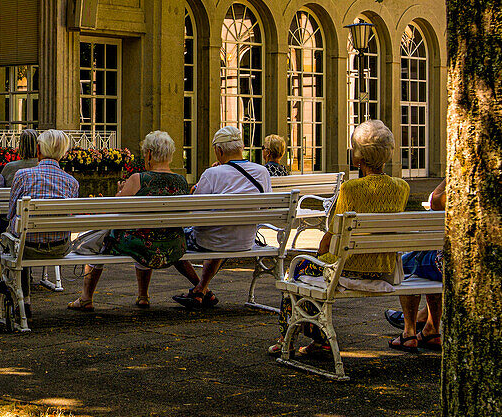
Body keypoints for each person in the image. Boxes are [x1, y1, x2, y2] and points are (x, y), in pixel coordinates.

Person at [270, 120, 410, 357]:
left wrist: (317, 257)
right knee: (308, 272)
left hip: (346, 269)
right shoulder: (402, 187)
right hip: (382, 268)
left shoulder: (351, 189)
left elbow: (331, 236)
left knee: (296, 271)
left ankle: (288, 338)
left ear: (358, 158)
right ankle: (319, 339)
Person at [67, 130, 190, 312]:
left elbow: (117, 209)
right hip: (172, 245)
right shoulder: (181, 180)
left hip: (141, 244)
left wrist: (120, 190)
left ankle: (86, 297)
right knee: (144, 232)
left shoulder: (137, 179)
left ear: (149, 154)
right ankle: (143, 295)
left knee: (100, 243)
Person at [173, 126, 272, 310]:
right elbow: (265, 207)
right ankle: (201, 290)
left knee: (170, 242)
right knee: (222, 231)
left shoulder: (212, 174)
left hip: (210, 241)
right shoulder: (262, 172)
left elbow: (193, 210)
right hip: (244, 240)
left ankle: (201, 290)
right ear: (241, 147)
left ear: (219, 151)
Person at [8, 129, 80, 316]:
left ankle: (25, 299)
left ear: (38, 150)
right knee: (22, 240)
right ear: (62, 153)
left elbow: (10, 213)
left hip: (27, 247)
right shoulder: (71, 182)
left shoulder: (22, 175)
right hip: (58, 247)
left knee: (17, 243)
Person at [385, 177, 445, 352]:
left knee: (404, 264)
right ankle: (430, 328)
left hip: (446, 264)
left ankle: (409, 332)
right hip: (448, 260)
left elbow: (435, 200)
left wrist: (449, 177)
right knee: (426, 254)